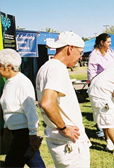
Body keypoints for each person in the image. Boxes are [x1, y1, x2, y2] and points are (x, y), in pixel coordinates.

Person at [36, 31, 91, 167]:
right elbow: (47, 103)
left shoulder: (45, 67)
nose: (80, 58)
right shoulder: (57, 68)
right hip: (68, 141)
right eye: (80, 53)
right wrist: (64, 128)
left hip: (58, 139)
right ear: (70, 48)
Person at [0, 49, 45, 167]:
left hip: (24, 134)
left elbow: (31, 111)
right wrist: (6, 127)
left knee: (14, 163)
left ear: (8, 66)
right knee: (32, 162)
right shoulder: (8, 82)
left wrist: (33, 134)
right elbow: (7, 107)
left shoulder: (22, 83)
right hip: (16, 133)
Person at [87, 33, 114, 138]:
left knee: (109, 110)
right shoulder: (95, 54)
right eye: (108, 42)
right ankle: (103, 133)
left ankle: (109, 133)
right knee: (101, 110)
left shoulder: (110, 52)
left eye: (110, 42)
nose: (110, 44)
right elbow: (91, 73)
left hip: (110, 85)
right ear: (101, 42)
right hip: (99, 86)